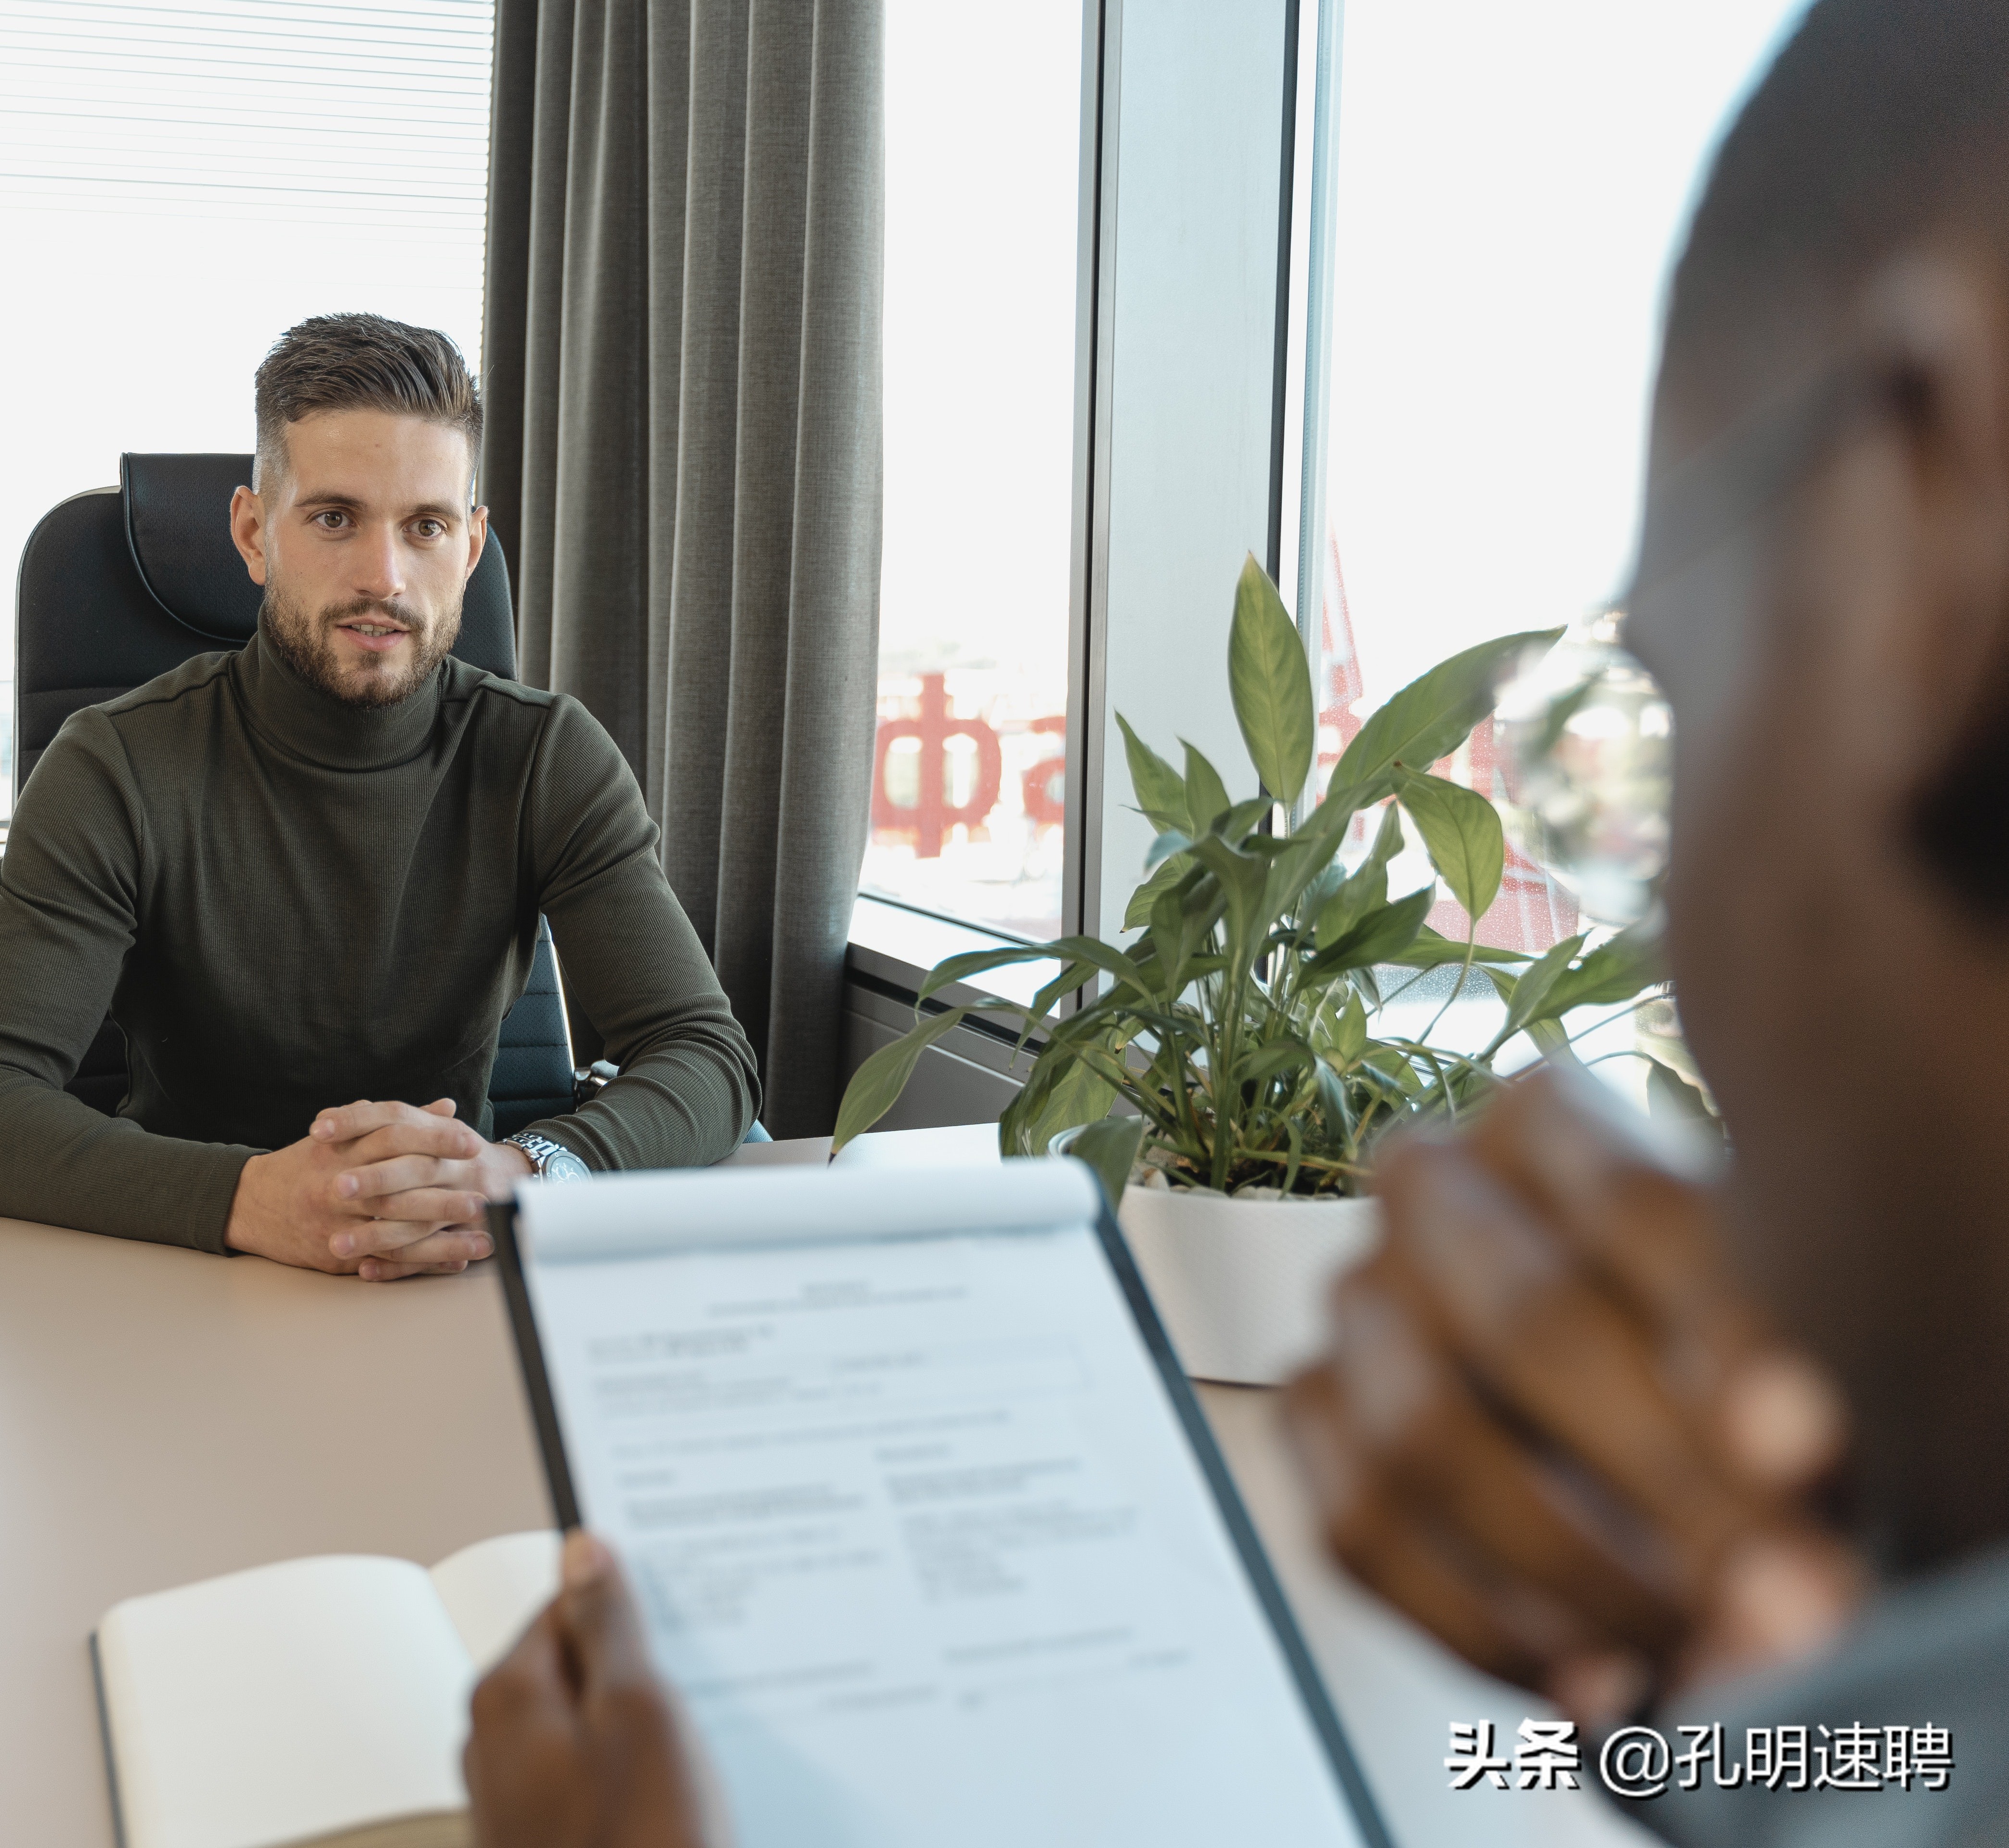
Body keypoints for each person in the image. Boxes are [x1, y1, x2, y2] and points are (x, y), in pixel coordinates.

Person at [460, 0, 2009, 1838]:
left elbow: (696, 1056)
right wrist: (1756, 1659)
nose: (1664, 913)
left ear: (1914, 534)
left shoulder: (537, 749)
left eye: (1666, 707)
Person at [0, 313, 759, 1278]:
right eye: (334, 518)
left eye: (425, 526)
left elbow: (705, 1052)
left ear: (469, 548)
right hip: (186, 1275)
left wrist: (525, 1169)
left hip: (455, 1261)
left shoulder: (544, 755)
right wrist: (250, 1198)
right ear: (252, 532)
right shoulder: (116, 764)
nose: (382, 577)